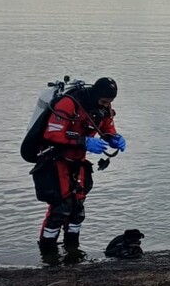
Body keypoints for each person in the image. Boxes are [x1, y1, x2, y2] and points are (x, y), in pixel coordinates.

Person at [36, 76, 126, 258]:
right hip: (56, 160)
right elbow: (52, 134)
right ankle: (47, 254)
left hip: (79, 162)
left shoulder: (103, 107)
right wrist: (83, 141)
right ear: (96, 95)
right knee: (60, 208)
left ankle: (72, 249)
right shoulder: (69, 104)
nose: (105, 105)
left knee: (77, 208)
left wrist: (113, 138)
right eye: (103, 101)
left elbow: (107, 127)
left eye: (109, 102)